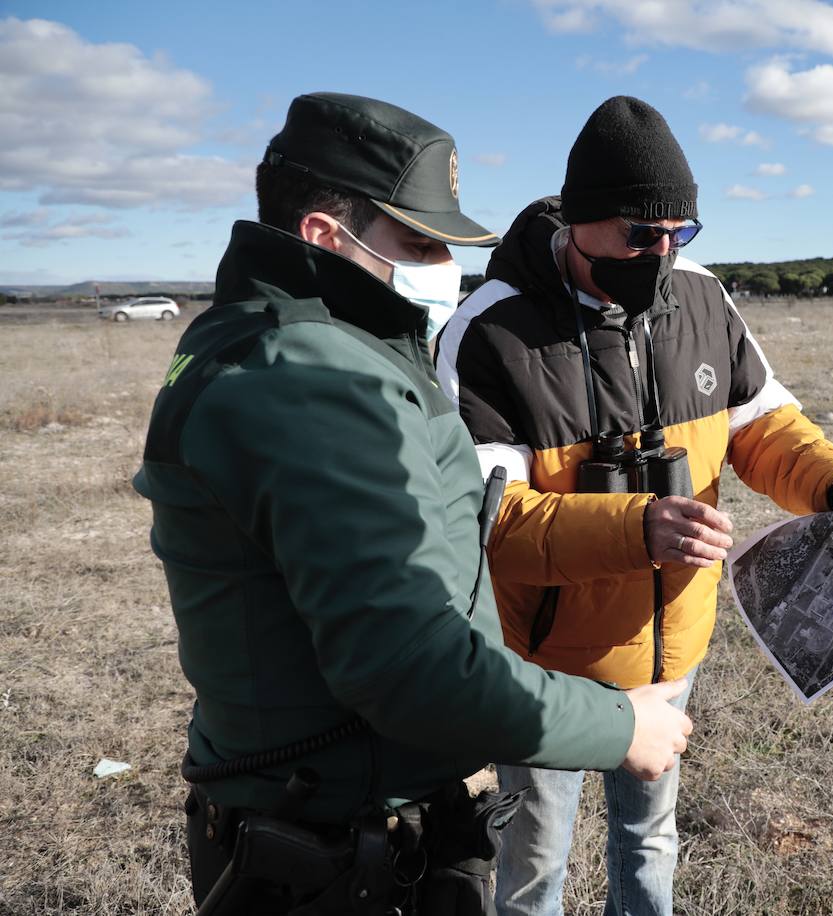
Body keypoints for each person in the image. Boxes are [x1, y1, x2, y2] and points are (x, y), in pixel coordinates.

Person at [132, 92, 693, 916]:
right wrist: (618, 728)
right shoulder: (318, 381)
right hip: (339, 848)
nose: (445, 265)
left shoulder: (269, 337)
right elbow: (408, 664)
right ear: (326, 235)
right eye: (420, 240)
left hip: (318, 808)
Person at [434, 95, 833, 916]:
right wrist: (636, 529)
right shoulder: (491, 333)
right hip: (548, 664)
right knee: (534, 861)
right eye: (641, 235)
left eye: (680, 234)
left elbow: (763, 424)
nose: (662, 253)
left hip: (675, 650)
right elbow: (482, 521)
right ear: (581, 222)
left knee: (650, 841)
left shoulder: (704, 298)